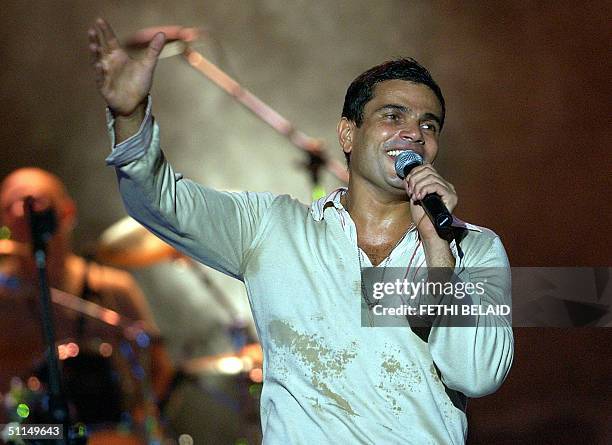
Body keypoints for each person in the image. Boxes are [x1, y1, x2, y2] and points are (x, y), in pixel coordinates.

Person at [89, 18, 513, 444]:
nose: (413, 134)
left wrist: (438, 252)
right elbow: (161, 202)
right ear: (348, 133)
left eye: (429, 125)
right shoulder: (272, 228)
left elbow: (477, 374)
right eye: (392, 116)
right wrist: (129, 115)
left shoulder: (474, 249)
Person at [0, 167, 172, 436]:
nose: (22, 212)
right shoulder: (4, 293)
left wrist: (134, 426)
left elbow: (158, 367)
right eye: (10, 206)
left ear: (67, 212)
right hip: (26, 435)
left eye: (34, 201)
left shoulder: (113, 288)